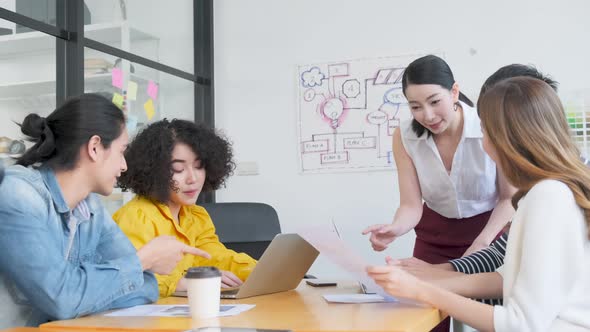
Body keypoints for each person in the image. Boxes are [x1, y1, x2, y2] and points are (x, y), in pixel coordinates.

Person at [368, 77, 590, 331]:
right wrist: (428, 277)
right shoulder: (549, 192)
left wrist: (422, 290)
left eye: (484, 132)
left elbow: (520, 323)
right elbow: (507, 279)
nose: (483, 144)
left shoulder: (548, 197)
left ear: (507, 138)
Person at [0, 94, 210, 328]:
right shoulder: (17, 195)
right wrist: (142, 260)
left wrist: (84, 291)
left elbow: (146, 286)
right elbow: (62, 298)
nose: (124, 165)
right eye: (121, 151)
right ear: (95, 147)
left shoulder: (90, 209)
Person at [363, 55, 515, 262]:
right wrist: (395, 229)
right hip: (433, 240)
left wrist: (482, 243)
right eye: (415, 107)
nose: (428, 116)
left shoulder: (487, 125)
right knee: (421, 293)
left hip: (489, 236)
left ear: (454, 92)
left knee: (482, 292)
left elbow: (509, 198)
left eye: (435, 102)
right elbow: (411, 205)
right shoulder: (405, 136)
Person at [113, 119, 257, 298]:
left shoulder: (196, 215)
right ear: (154, 171)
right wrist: (181, 283)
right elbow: (123, 277)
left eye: (199, 166)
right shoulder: (136, 216)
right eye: (178, 169)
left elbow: (214, 256)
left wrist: (258, 270)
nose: (193, 178)